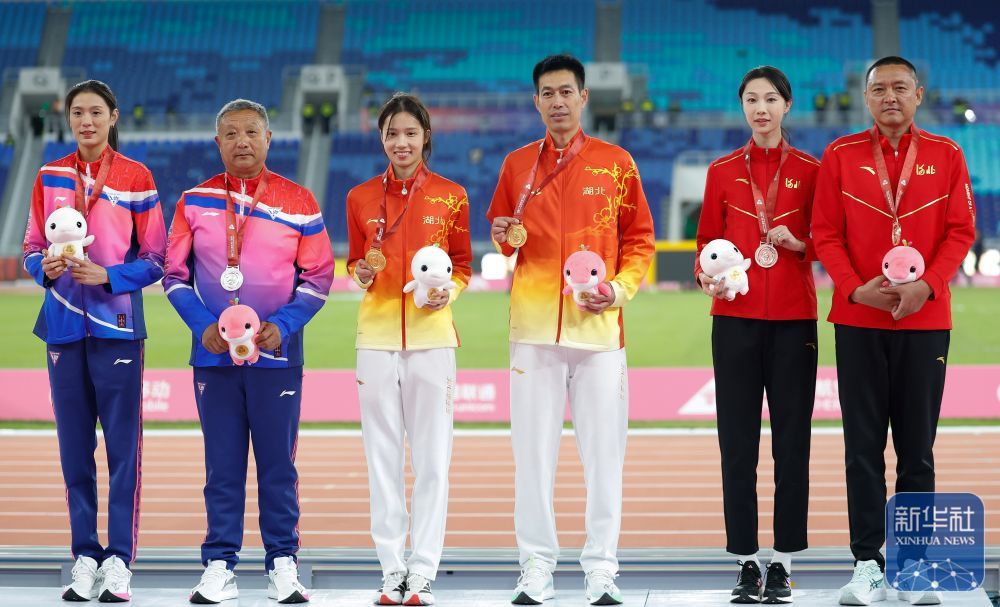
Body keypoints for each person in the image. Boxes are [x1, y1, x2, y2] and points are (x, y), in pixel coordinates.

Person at [487, 54, 654, 606]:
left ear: (584, 98)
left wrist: (621, 290)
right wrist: (506, 237)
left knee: (604, 455)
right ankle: (535, 564)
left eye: (566, 92)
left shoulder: (617, 162)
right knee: (532, 456)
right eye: (547, 93)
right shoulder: (516, 166)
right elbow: (502, 235)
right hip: (533, 330)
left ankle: (601, 567)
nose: (557, 101)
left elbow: (640, 242)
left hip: (599, 331)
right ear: (535, 101)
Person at [811, 56, 976, 607]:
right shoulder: (840, 155)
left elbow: (961, 231)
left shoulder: (947, 155)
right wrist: (855, 289)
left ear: (919, 94)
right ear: (865, 97)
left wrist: (927, 285)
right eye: (878, 88)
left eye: (899, 88)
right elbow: (825, 234)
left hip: (925, 319)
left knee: (916, 449)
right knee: (861, 447)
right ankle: (867, 564)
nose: (889, 97)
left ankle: (913, 565)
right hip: (858, 319)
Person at [162, 98, 334, 604]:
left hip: (276, 356)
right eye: (231, 133)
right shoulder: (193, 199)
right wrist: (202, 327)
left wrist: (283, 325)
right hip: (213, 357)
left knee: (279, 464)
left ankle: (283, 562)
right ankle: (219, 564)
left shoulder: (299, 201)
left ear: (268, 139)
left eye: (252, 132)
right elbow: (174, 274)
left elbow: (319, 275)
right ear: (217, 143)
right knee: (222, 464)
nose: (242, 141)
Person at [22, 79, 167, 602]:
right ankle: (85, 555)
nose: (87, 121)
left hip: (117, 328)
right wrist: (46, 265)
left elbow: (156, 260)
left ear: (113, 116)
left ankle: (120, 562)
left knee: (124, 452)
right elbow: (31, 247)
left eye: (96, 112)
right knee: (74, 452)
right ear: (70, 119)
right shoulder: (48, 175)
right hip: (62, 326)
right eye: (78, 113)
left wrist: (107, 276)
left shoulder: (136, 177)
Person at [695, 66, 820, 605]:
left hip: (795, 320)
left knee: (793, 444)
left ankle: (785, 561)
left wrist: (799, 242)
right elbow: (704, 244)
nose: (761, 108)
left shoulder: (815, 170)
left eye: (771, 98)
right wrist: (708, 281)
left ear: (787, 104)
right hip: (736, 321)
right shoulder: (722, 170)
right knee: (737, 444)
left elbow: (830, 242)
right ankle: (746, 560)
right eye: (751, 99)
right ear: (742, 106)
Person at [346, 92, 472, 606]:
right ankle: (391, 568)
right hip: (375, 339)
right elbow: (356, 265)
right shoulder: (358, 198)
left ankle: (422, 569)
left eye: (411, 133)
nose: (401, 142)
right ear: (381, 138)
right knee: (381, 459)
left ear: (425, 138)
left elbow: (462, 265)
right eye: (392, 133)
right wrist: (361, 272)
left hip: (432, 340)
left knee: (433, 461)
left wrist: (452, 291)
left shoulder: (451, 195)